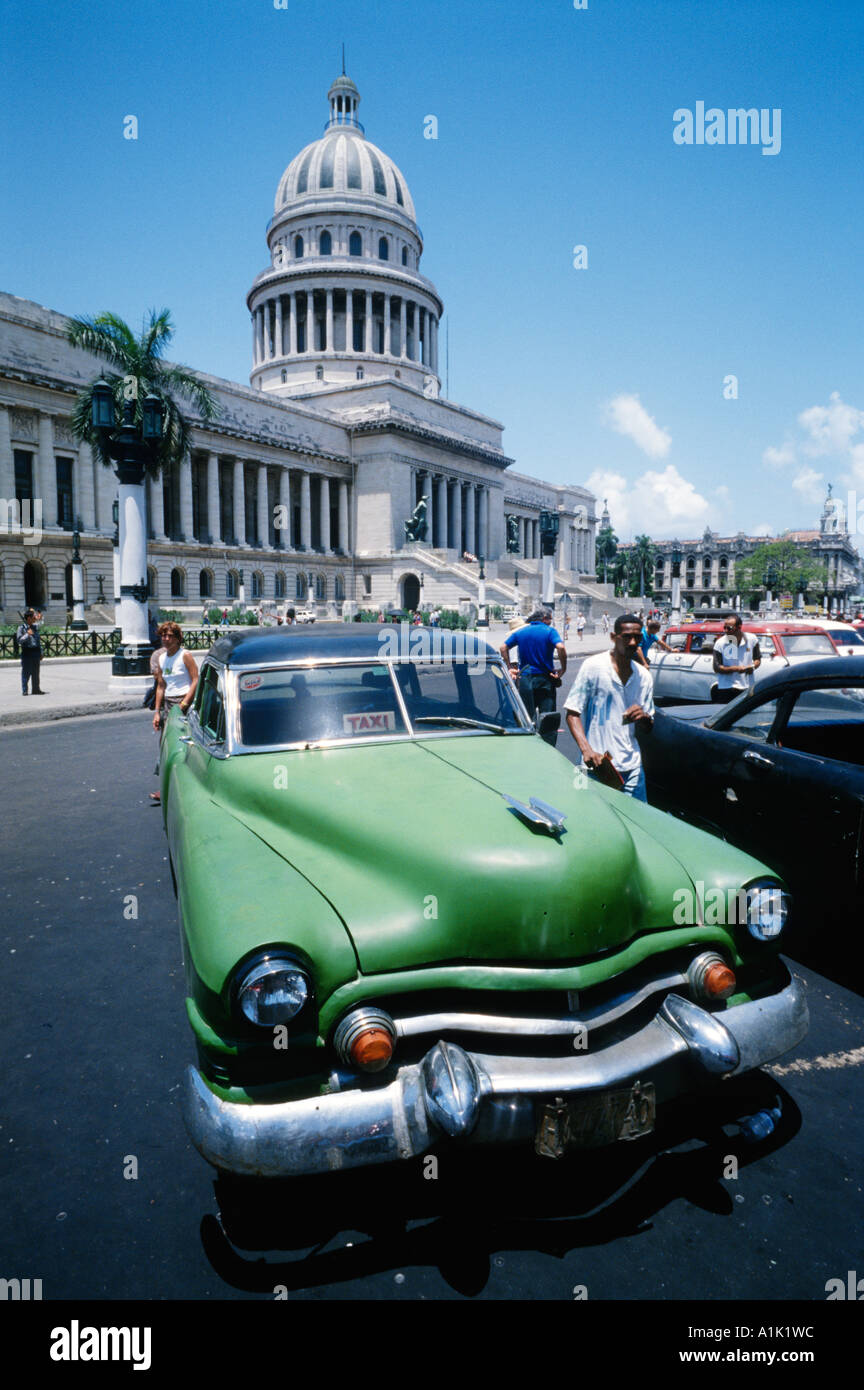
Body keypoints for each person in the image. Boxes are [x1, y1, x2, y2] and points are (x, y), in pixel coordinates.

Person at [564, 614, 654, 799]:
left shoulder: (644, 677)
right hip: (597, 767)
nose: (632, 642)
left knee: (637, 824)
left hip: (632, 769)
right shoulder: (593, 666)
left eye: (637, 638)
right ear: (614, 637)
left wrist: (644, 718)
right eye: (626, 636)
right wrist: (586, 750)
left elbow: (648, 728)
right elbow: (573, 712)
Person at [499, 608, 566, 746]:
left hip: (526, 677)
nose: (551, 622)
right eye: (550, 619)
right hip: (545, 679)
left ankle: (527, 746)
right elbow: (560, 647)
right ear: (544, 619)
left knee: (526, 716)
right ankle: (548, 748)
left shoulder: (521, 632)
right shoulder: (550, 631)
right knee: (548, 718)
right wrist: (563, 669)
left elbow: (503, 648)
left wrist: (509, 666)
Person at [150, 622, 199, 804]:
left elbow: (195, 679)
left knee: (184, 747)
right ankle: (165, 787)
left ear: (178, 638)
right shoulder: (162, 659)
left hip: (184, 703)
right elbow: (161, 686)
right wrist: (157, 712)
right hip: (169, 705)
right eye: (163, 635)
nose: (166, 639)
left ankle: (188, 786)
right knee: (166, 746)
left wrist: (185, 703)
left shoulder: (184, 656)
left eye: (170, 635)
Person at [712, 613, 761, 703]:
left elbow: (757, 659)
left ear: (739, 627)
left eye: (729, 628)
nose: (726, 631)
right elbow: (716, 667)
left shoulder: (752, 639)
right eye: (724, 628)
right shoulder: (720, 643)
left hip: (747, 686)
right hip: (727, 687)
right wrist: (736, 669)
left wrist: (753, 667)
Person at [17, 607, 44, 694]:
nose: (35, 619)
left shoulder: (35, 627)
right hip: (27, 652)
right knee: (26, 672)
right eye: (33, 617)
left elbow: (38, 640)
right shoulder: (21, 628)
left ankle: (36, 689)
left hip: (36, 652)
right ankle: (25, 690)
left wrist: (41, 652)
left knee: (36, 673)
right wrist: (27, 635)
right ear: (29, 618)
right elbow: (19, 640)